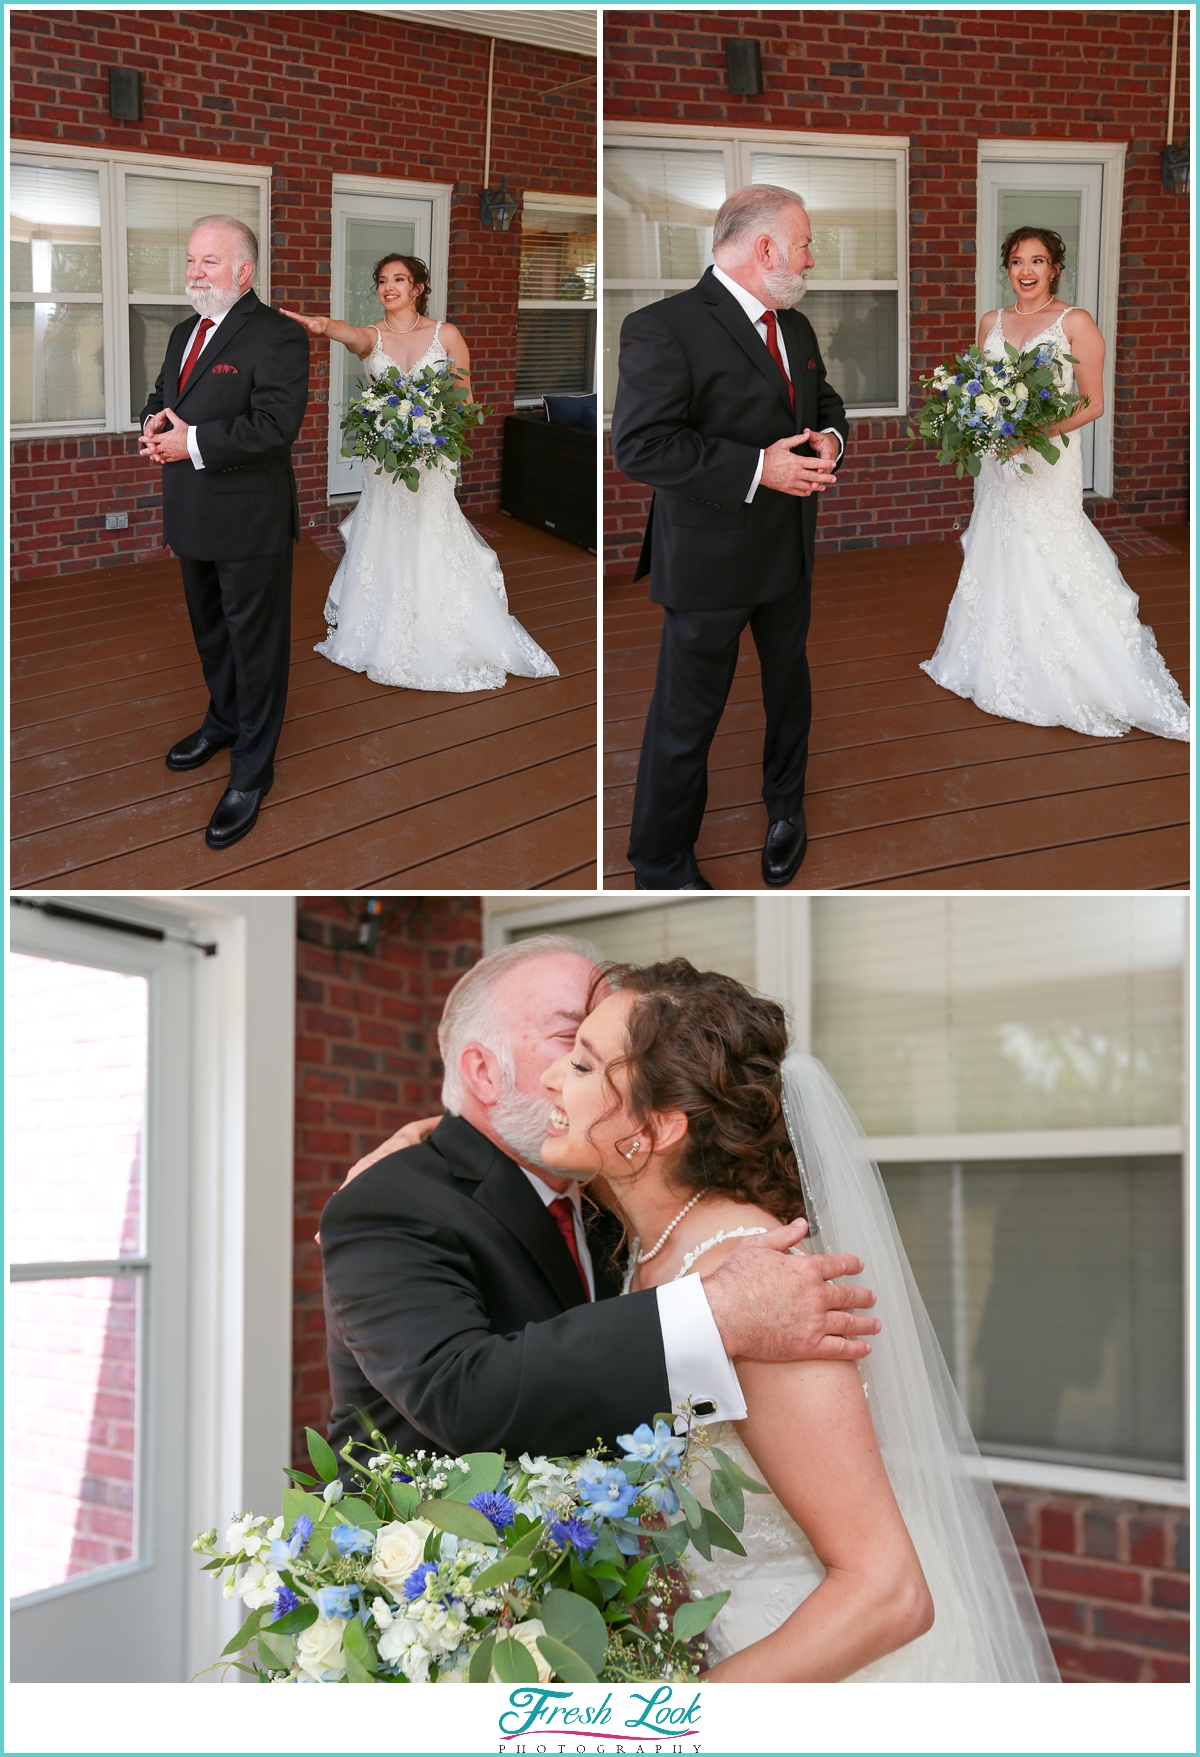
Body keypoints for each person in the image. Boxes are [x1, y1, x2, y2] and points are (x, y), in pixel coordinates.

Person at [539, 957, 1061, 1683]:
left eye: (584, 1064)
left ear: (655, 1129)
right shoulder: (651, 1248)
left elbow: (891, 1593)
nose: (550, 1079)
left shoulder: (766, 1287)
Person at [317, 935, 880, 1469]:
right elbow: (463, 1398)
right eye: (573, 1044)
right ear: (483, 1072)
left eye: (599, 1055)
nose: (573, 1076)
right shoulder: (390, 1202)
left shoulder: (619, 1192)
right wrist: (716, 1314)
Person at [610, 185, 849, 891]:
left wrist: (832, 438)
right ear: (765, 248)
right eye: (804, 244)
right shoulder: (662, 326)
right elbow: (641, 447)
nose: (811, 258)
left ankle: (785, 811)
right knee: (685, 718)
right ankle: (660, 860)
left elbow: (823, 401)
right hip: (709, 560)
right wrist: (758, 467)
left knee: (789, 690)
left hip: (791, 549)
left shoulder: (795, 326)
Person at [922, 227, 1189, 741]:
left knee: (1049, 543)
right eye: (1017, 261)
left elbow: (1093, 402)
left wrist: (1033, 432)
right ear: (1006, 268)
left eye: (1038, 261)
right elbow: (983, 391)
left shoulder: (1076, 322)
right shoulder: (991, 323)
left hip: (1047, 459)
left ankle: (1069, 661)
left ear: (1054, 269)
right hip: (1000, 464)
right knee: (1000, 543)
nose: (1026, 271)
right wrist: (983, 430)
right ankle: (998, 656)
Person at [279, 255, 558, 692]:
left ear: (418, 288)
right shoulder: (371, 337)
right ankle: (380, 627)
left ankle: (436, 626)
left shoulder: (446, 334)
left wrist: (428, 423)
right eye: (382, 280)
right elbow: (348, 333)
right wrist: (323, 325)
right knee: (385, 533)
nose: (388, 286)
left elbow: (465, 401)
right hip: (385, 464)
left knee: (430, 533)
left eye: (399, 279)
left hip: (432, 459)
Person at [139, 216, 310, 850]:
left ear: (243, 271)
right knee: (211, 631)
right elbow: (165, 393)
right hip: (190, 512)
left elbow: (274, 426)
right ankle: (223, 720)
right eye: (190, 260)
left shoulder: (277, 337)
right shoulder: (185, 330)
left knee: (255, 645)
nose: (194, 273)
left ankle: (252, 771)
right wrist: (154, 423)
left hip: (250, 520)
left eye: (208, 262)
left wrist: (192, 442)